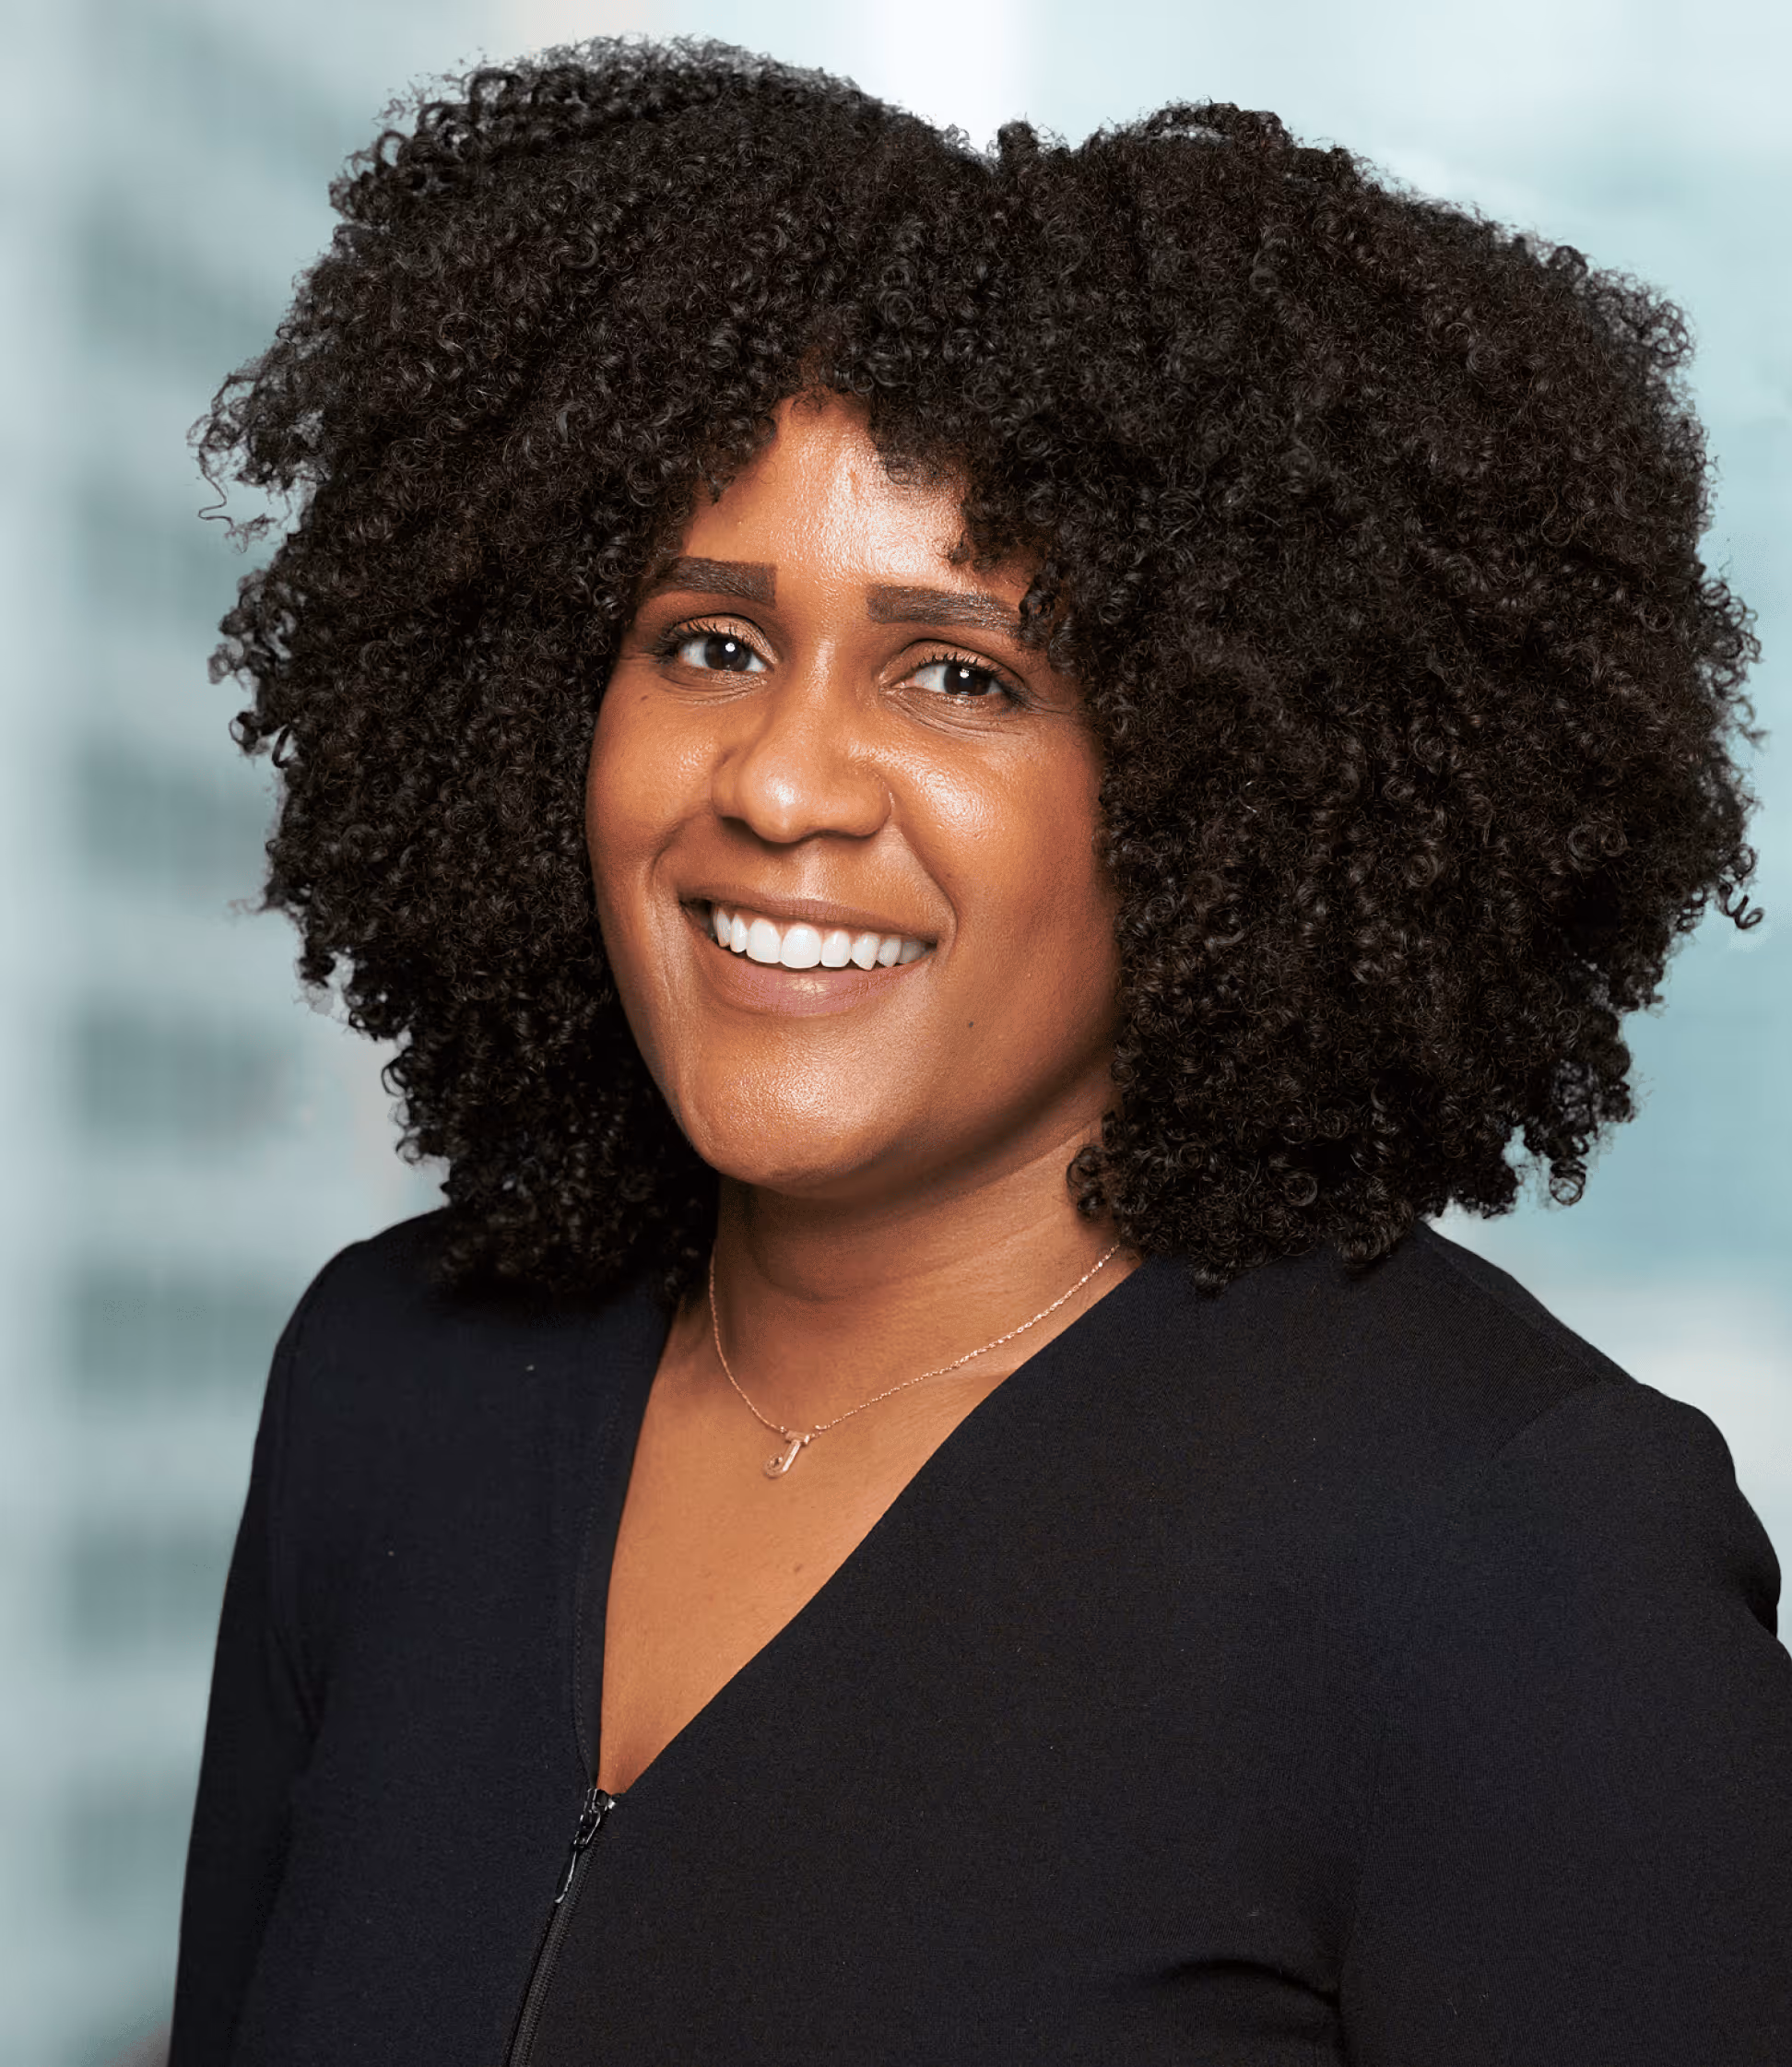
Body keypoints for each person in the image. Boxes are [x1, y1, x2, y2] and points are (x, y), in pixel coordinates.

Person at [168, 39, 1792, 2066]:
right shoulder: (391, 1383)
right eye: (710, 643)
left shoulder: (1512, 1548)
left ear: (1217, 786)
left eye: (960, 674)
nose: (782, 784)